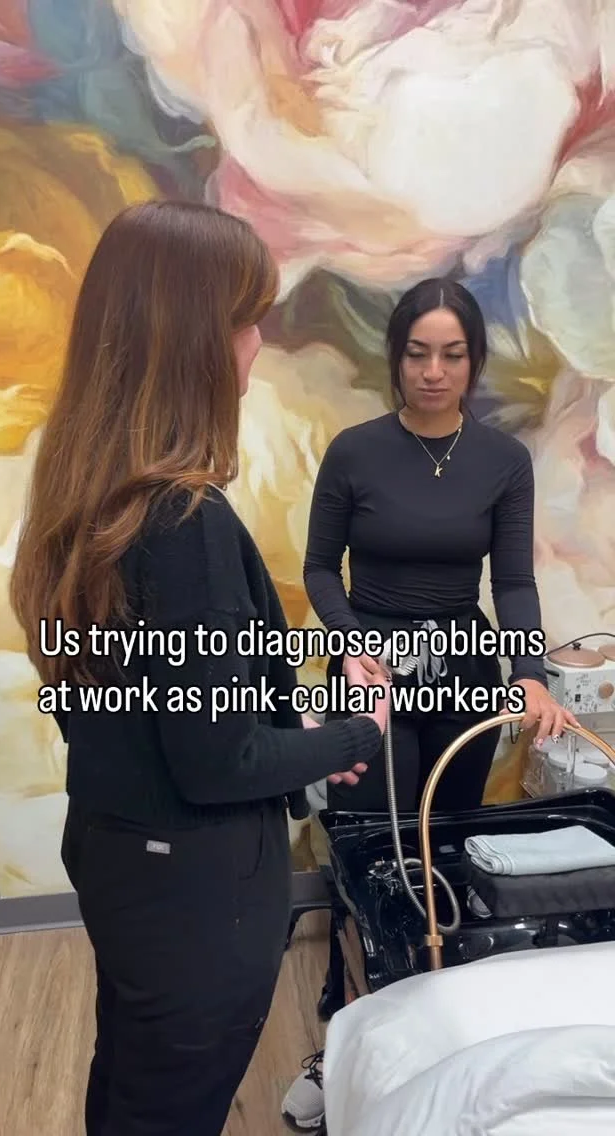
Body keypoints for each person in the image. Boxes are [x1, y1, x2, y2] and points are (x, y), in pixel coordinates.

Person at [9, 200, 391, 1136]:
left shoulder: (90, 498)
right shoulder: (183, 524)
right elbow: (218, 762)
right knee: (167, 1104)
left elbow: (157, 709)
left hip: (119, 853)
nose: (258, 345)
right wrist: (355, 732)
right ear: (192, 342)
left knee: (133, 1083)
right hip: (191, 890)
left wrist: (302, 733)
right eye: (246, 321)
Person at [281, 276, 577, 1132]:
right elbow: (318, 570)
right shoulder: (354, 452)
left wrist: (529, 671)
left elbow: (512, 581)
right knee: (375, 859)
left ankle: (435, 1040)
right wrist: (350, 643)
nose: (434, 371)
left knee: (443, 850)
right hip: (371, 673)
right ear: (397, 357)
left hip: (461, 669)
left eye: (451, 355)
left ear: (472, 361)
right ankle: (343, 1044)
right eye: (418, 354)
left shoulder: (502, 461)